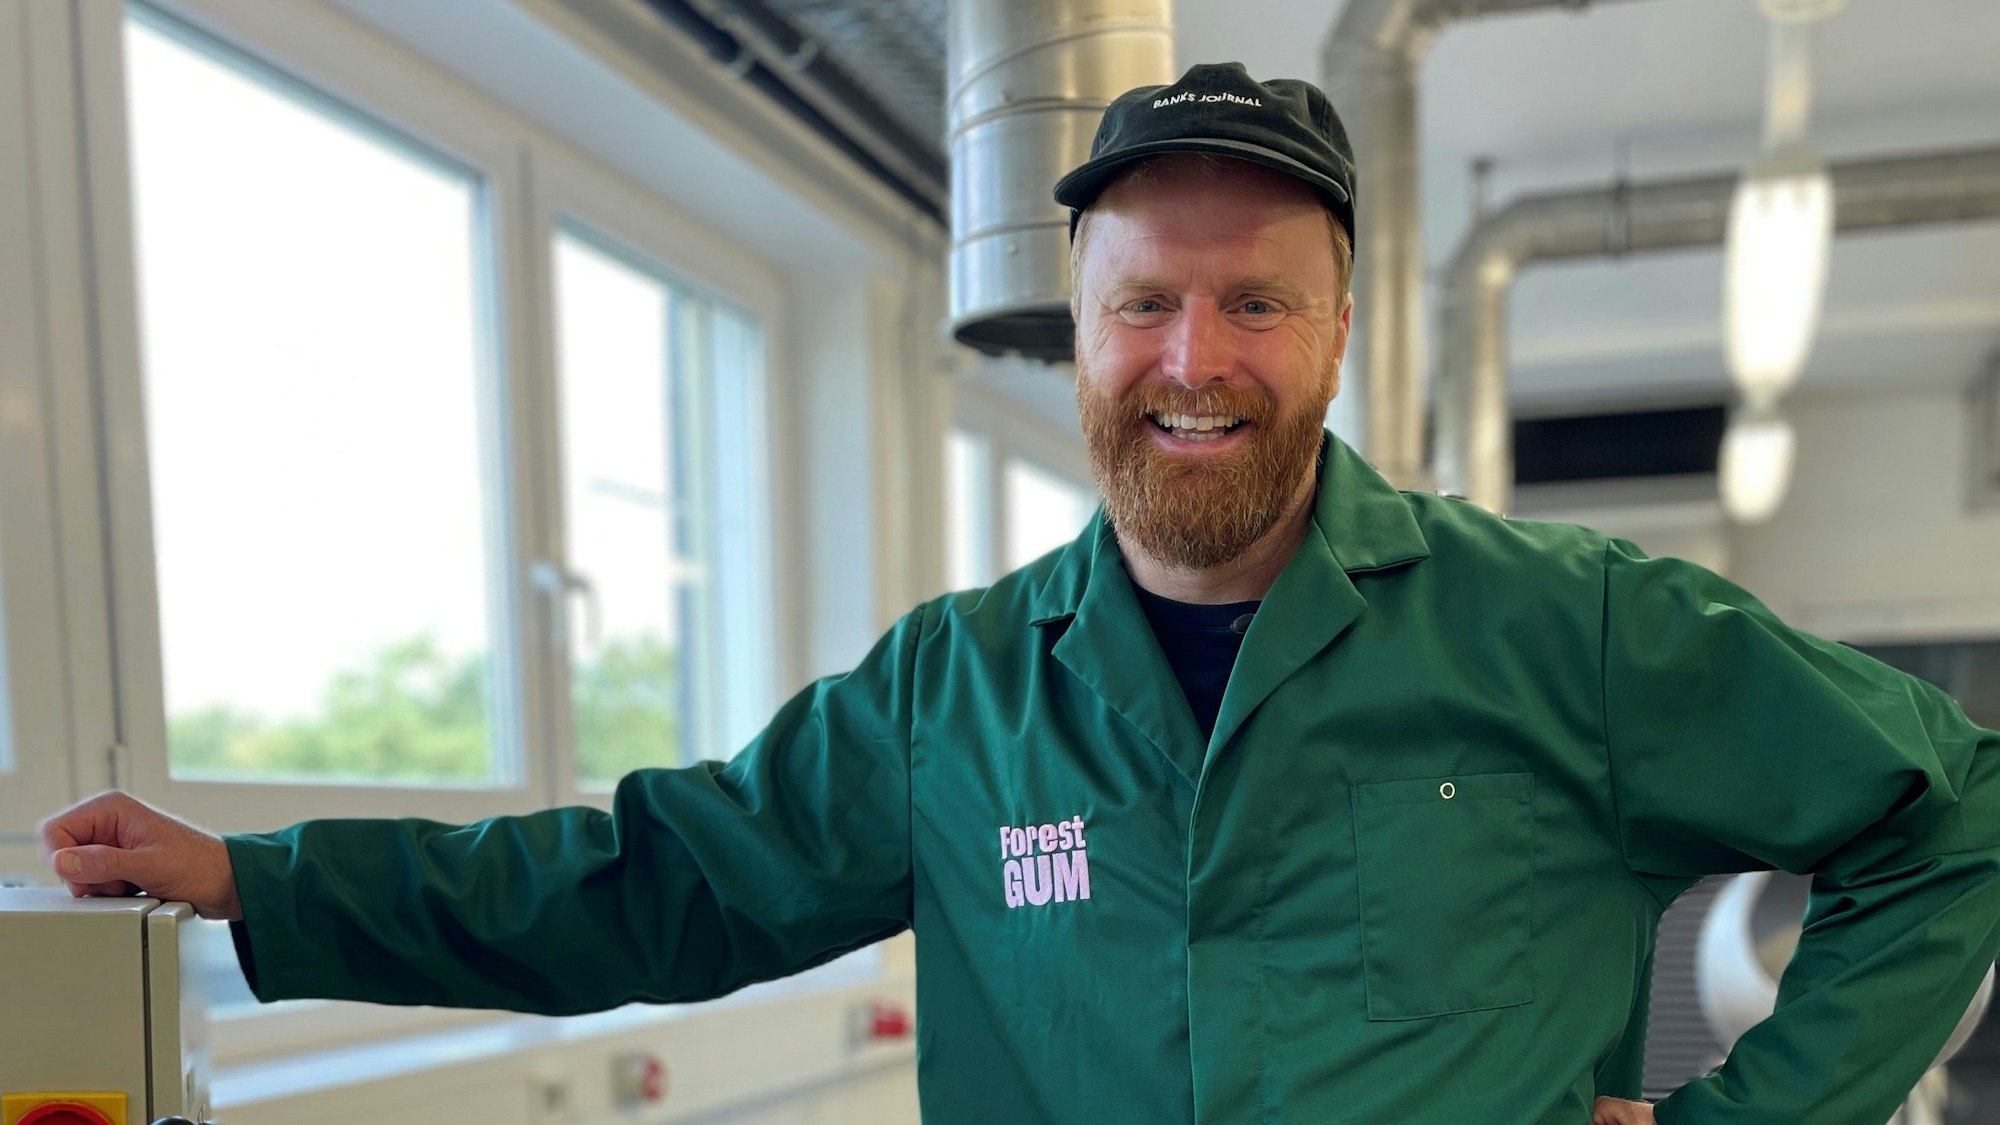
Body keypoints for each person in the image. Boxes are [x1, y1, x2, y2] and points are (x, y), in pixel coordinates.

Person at [38, 63, 2000, 1125]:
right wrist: (263, 882)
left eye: (1256, 302)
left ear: (1337, 335)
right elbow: (649, 881)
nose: (1193, 357)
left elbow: (1953, 813)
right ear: (1077, 331)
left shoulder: (1565, 628)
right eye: (1144, 301)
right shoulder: (951, 697)